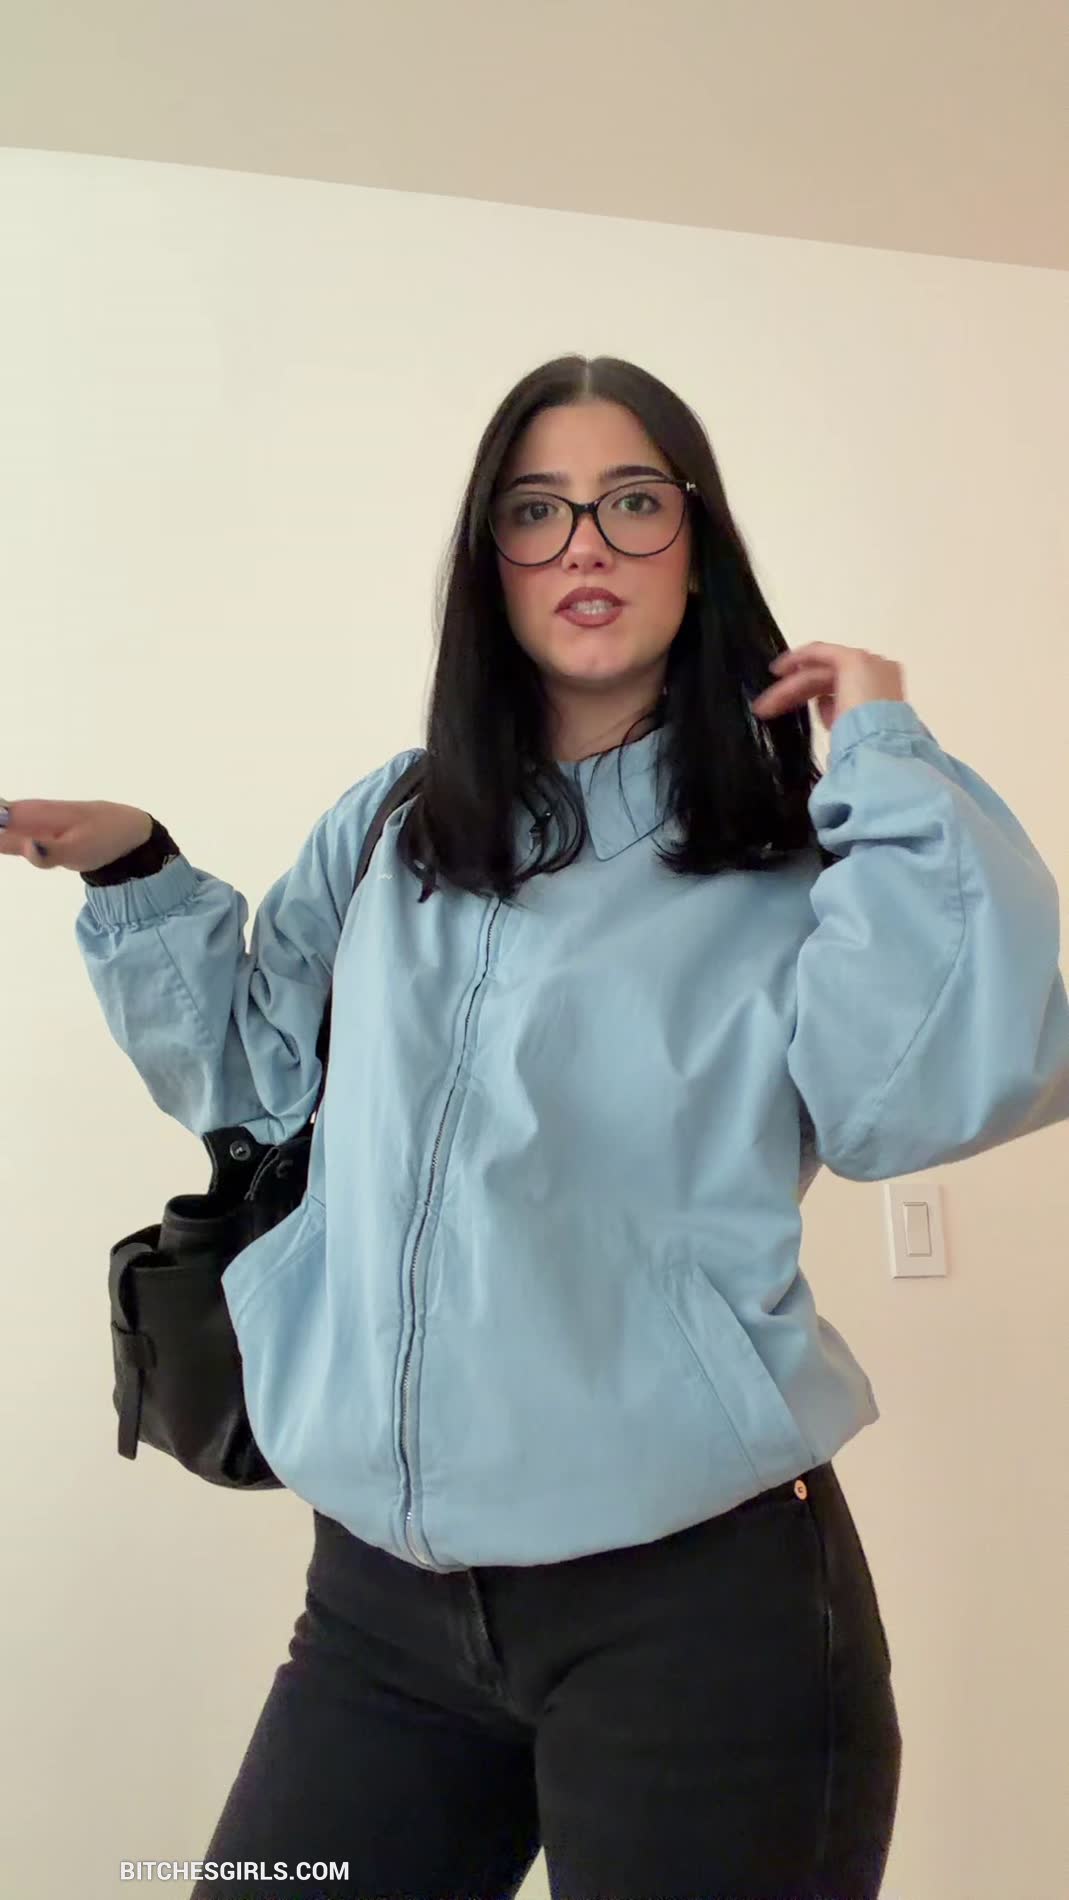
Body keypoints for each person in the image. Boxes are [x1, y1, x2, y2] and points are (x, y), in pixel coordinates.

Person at [5, 354, 1069, 1900]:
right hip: (379, 1609)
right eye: (535, 510)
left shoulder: (785, 848)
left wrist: (889, 758)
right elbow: (254, 1084)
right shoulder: (394, 822)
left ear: (695, 542)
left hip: (695, 1612)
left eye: (632, 503)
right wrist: (134, 868)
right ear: (487, 558)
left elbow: (920, 1093)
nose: (584, 544)